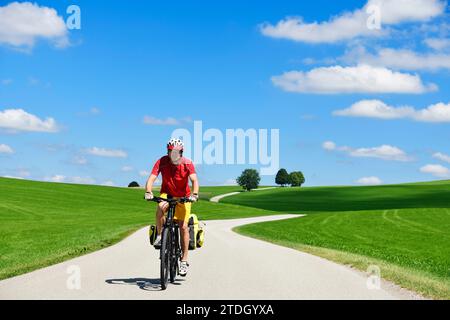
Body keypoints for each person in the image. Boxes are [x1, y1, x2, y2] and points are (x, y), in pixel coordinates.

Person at [144, 138, 199, 277]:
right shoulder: (162, 161)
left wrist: (195, 194)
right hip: (167, 194)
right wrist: (148, 191)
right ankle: (159, 235)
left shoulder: (188, 163)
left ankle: (184, 260)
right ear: (167, 151)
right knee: (160, 208)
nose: (173, 155)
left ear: (181, 152)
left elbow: (194, 180)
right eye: (170, 152)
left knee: (183, 227)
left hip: (184, 196)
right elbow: (152, 178)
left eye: (176, 152)